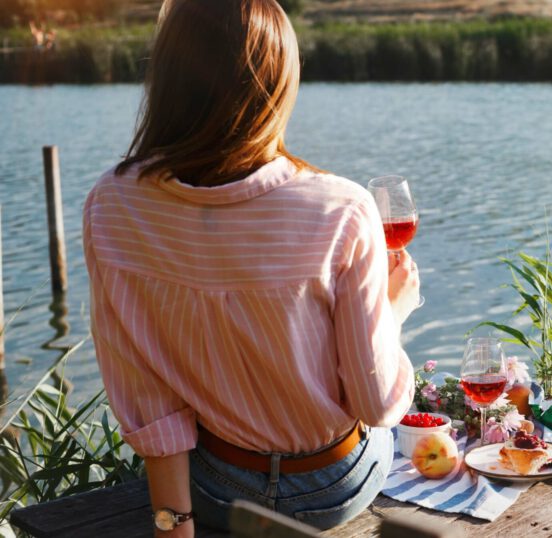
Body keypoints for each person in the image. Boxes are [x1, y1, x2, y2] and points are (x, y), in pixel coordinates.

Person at [81, 1, 420, 536]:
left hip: (213, 488)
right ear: (277, 83)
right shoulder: (341, 207)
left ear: (168, 77)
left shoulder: (112, 204)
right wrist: (394, 312)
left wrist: (176, 527)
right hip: (333, 487)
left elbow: (145, 392)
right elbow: (377, 404)